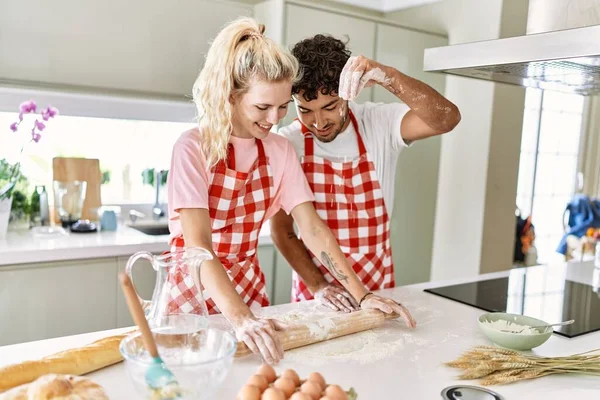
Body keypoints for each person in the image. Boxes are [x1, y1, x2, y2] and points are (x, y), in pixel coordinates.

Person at [167, 19, 415, 365]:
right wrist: (241, 319)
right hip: (193, 295)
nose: (274, 118)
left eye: (283, 106)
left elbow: (312, 228)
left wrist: (363, 296)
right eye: (262, 107)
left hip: (250, 291)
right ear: (230, 95)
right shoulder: (193, 148)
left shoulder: (279, 150)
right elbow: (199, 248)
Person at [272, 34, 461, 313]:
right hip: (321, 294)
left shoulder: (379, 124)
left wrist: (387, 76)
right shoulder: (289, 143)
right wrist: (319, 286)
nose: (319, 122)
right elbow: (283, 232)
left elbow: (447, 118)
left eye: (330, 106)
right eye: (305, 111)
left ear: (349, 94)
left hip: (378, 285)